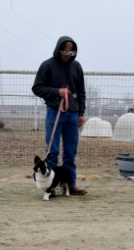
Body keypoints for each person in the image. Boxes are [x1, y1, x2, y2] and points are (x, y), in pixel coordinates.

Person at [32, 36, 87, 195]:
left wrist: (81, 112)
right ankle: (51, 187)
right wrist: (57, 92)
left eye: (71, 51)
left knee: (70, 151)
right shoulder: (47, 65)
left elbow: (81, 91)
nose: (67, 54)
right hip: (54, 112)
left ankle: (70, 185)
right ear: (58, 49)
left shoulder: (76, 67)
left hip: (72, 114)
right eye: (64, 50)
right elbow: (37, 88)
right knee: (53, 151)